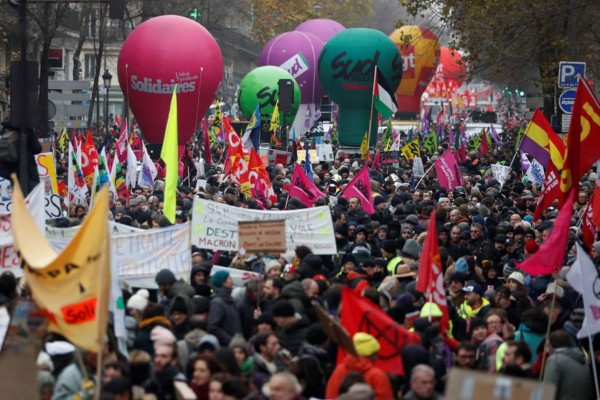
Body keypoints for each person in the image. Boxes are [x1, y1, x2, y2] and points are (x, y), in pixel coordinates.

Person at [326, 332, 393, 400]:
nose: (377, 357)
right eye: (375, 353)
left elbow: (331, 396)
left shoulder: (339, 370)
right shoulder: (378, 375)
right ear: (370, 355)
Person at [542, 330, 595, 400]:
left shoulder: (555, 360)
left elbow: (546, 394)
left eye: (547, 346)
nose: (545, 350)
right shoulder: (584, 361)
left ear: (551, 346)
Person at [207, 270, 242, 346]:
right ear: (223, 282)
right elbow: (213, 327)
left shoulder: (229, 299)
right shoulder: (217, 302)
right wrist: (231, 341)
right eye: (229, 278)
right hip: (226, 347)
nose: (232, 281)